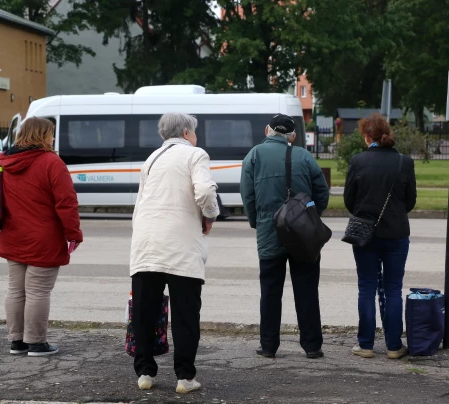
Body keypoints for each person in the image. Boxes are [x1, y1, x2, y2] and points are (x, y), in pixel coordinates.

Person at [130, 113, 219, 394]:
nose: (196, 137)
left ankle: (145, 372)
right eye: (194, 132)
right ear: (184, 133)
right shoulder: (195, 155)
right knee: (185, 315)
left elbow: (140, 201)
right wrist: (210, 215)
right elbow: (204, 190)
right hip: (181, 247)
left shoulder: (151, 159)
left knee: (144, 312)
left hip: (146, 246)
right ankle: (185, 377)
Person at [240, 114, 329, 359]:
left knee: (270, 291)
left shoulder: (254, 156)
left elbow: (248, 196)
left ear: (268, 129)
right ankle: (312, 346)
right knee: (307, 289)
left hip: (270, 231)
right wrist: (311, 215)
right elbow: (322, 191)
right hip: (303, 233)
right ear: (293, 135)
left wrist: (256, 222)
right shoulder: (304, 156)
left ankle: (269, 346)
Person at [0, 117, 83, 357]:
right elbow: (66, 202)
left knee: (15, 290)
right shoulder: (51, 162)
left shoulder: (2, 161)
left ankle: (17, 341)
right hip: (44, 239)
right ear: (43, 135)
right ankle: (36, 343)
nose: (53, 138)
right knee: (38, 291)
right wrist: (74, 234)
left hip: (12, 235)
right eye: (51, 134)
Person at [344, 113, 416, 360]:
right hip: (396, 232)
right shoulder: (404, 162)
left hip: (365, 233)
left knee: (366, 287)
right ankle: (394, 345)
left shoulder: (358, 161)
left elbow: (349, 200)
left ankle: (365, 344)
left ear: (366, 136)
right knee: (393, 289)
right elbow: (411, 200)